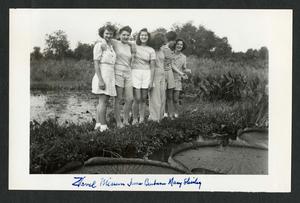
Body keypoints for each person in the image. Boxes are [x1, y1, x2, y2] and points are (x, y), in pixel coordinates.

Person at [92, 24, 117, 131]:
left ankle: (98, 124)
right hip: (103, 74)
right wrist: (101, 80)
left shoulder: (110, 46)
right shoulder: (99, 45)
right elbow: (96, 64)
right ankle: (103, 127)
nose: (108, 35)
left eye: (111, 33)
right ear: (102, 33)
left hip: (110, 74)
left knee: (102, 101)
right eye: (106, 33)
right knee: (103, 102)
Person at [131, 28, 156, 124]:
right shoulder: (134, 45)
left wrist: (151, 81)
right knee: (136, 98)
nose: (143, 37)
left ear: (148, 37)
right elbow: (121, 42)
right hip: (135, 73)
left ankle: (141, 118)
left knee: (143, 98)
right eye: (142, 35)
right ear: (139, 36)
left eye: (145, 35)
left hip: (147, 74)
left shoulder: (151, 50)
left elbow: (153, 67)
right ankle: (134, 118)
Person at [111, 26, 134, 128]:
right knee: (118, 99)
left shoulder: (130, 45)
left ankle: (125, 120)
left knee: (130, 98)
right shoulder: (115, 43)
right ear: (119, 35)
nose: (125, 37)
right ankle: (118, 122)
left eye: (128, 35)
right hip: (118, 72)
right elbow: (104, 38)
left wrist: (131, 43)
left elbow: (134, 53)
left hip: (128, 72)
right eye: (123, 35)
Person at [170, 39, 191, 118]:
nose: (179, 46)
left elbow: (184, 68)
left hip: (177, 79)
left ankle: (176, 114)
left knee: (175, 99)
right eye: (178, 44)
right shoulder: (170, 54)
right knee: (168, 98)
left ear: (183, 46)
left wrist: (187, 70)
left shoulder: (184, 57)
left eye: (181, 45)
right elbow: (172, 65)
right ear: (175, 45)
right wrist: (181, 73)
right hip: (169, 78)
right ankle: (167, 114)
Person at [148, 33, 167, 121]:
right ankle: (154, 119)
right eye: (161, 42)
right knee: (155, 98)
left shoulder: (161, 50)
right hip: (154, 75)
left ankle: (160, 117)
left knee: (163, 97)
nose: (162, 44)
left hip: (162, 75)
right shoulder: (151, 50)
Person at [161, 31, 177, 118]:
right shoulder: (162, 49)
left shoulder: (171, 50)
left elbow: (171, 64)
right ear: (170, 40)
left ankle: (170, 114)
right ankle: (163, 114)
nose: (174, 43)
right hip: (162, 73)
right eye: (173, 40)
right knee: (163, 95)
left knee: (170, 95)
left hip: (169, 73)